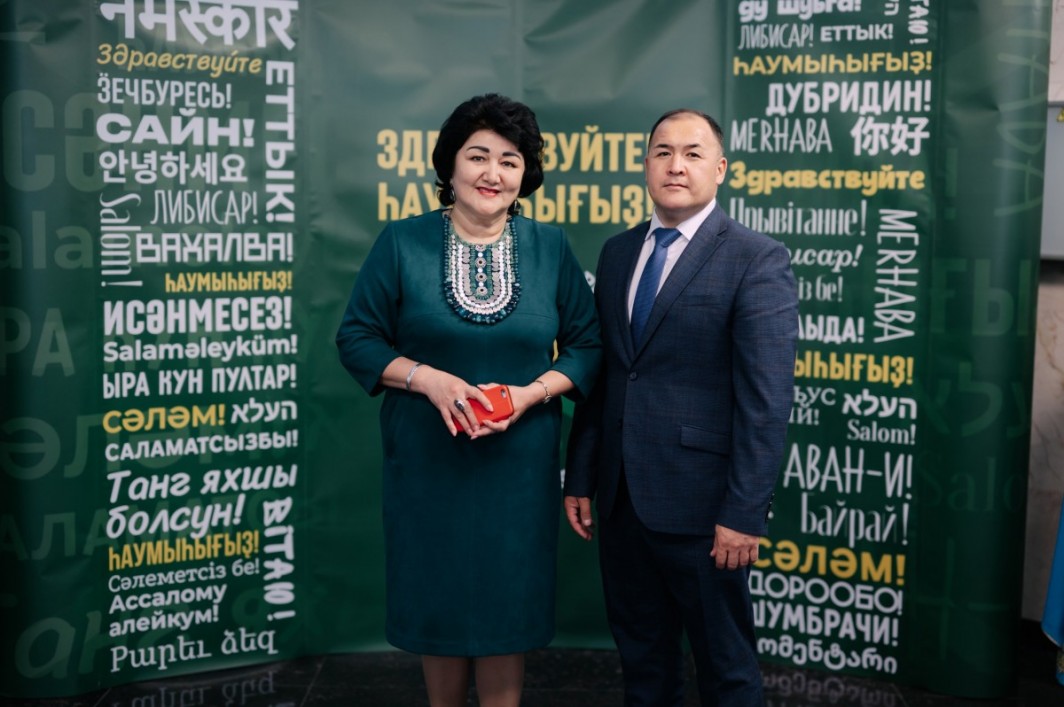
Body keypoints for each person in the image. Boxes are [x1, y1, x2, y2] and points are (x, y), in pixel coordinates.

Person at [335, 93, 600, 707]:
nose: (492, 173)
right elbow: (357, 338)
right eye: (478, 156)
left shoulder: (550, 246)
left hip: (519, 469)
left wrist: (530, 394)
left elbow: (588, 345)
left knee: (507, 608)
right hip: (429, 464)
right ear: (449, 165)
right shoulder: (401, 242)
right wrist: (427, 378)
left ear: (525, 175)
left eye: (510, 161)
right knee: (441, 604)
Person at [563, 109, 798, 706]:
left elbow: (766, 401)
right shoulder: (617, 253)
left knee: (727, 671)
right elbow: (606, 374)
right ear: (646, 165)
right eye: (663, 152)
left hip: (705, 511)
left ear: (720, 169)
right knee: (644, 667)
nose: (676, 165)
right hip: (620, 502)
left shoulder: (756, 258)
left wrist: (744, 511)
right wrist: (582, 474)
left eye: (693, 153)